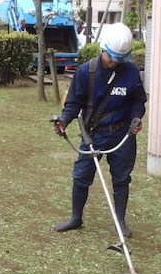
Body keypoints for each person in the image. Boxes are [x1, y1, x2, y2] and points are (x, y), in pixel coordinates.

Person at [52, 22, 147, 237]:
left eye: (120, 58)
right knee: (81, 176)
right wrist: (64, 121)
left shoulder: (131, 71)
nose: (115, 62)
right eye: (112, 57)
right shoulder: (87, 71)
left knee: (121, 178)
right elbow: (73, 103)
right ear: (104, 48)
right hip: (94, 134)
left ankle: (120, 221)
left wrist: (136, 118)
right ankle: (76, 218)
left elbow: (138, 101)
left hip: (122, 133)